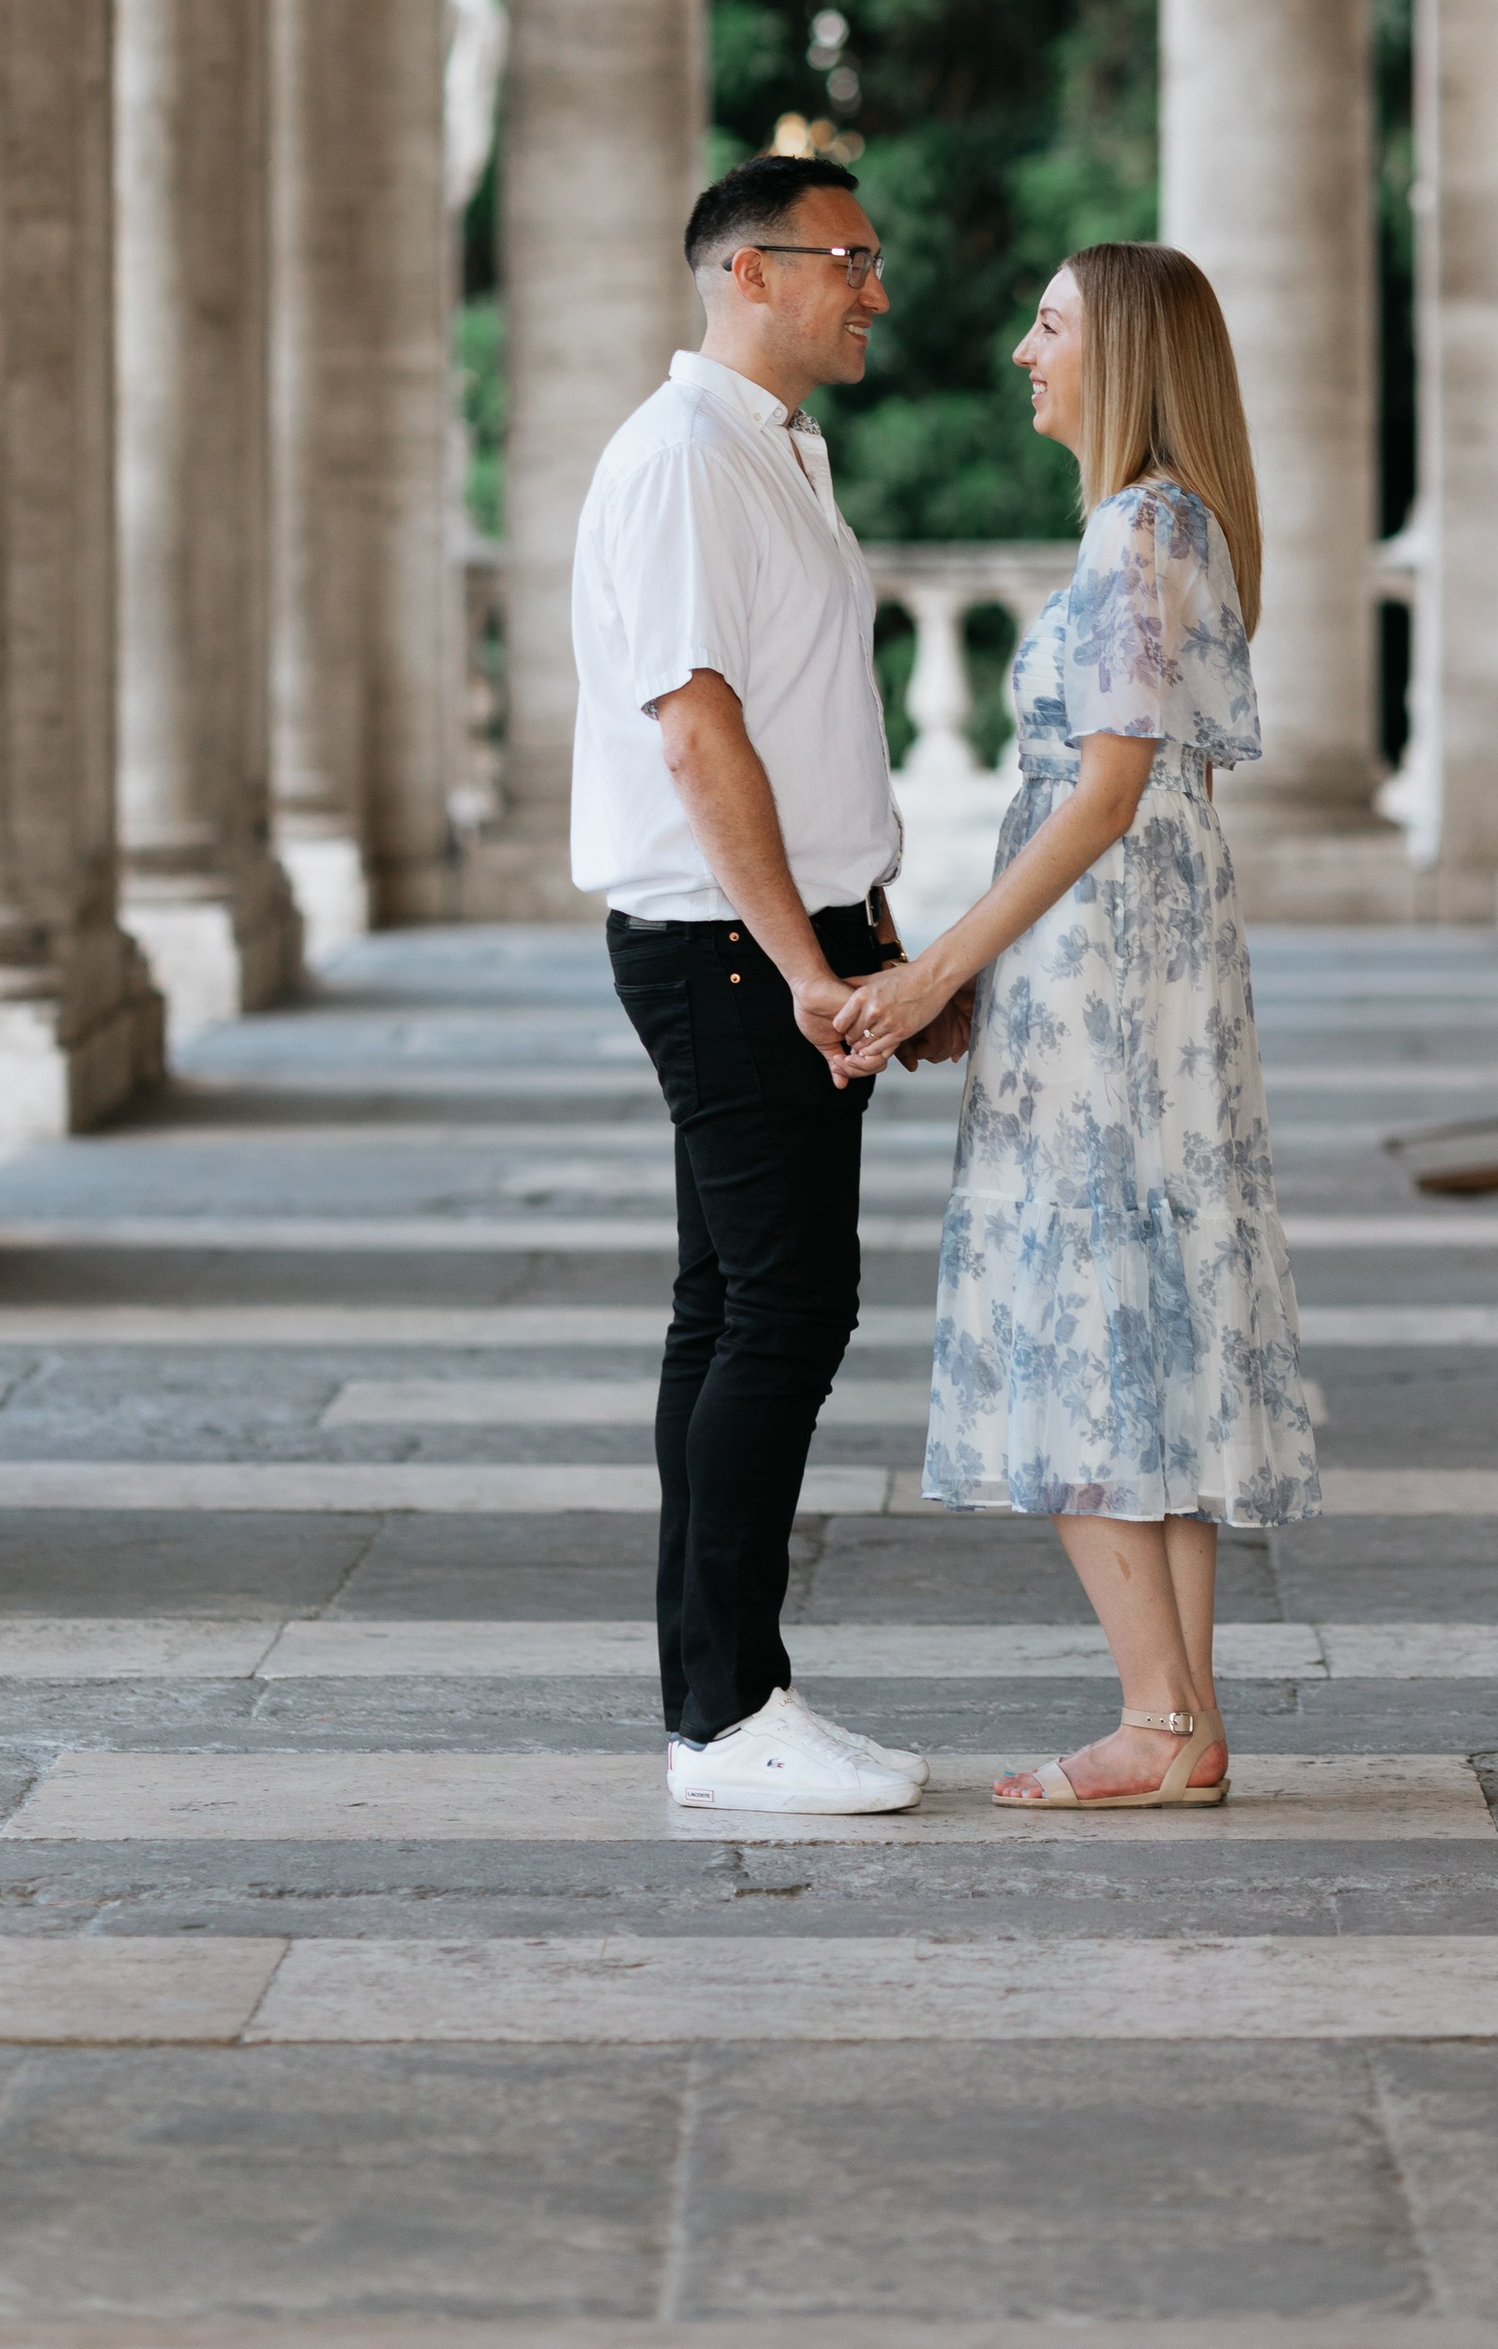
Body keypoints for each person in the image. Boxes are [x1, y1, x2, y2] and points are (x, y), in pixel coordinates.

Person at [835, 241, 1319, 1808]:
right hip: (1144, 967)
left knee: (1076, 1312)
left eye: (1048, 327)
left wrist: (933, 971)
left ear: (1120, 354)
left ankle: (1158, 1720)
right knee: (1144, 1311)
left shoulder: (1135, 530)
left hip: (1105, 980)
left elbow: (1101, 794)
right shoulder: (1170, 520)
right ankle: (1180, 1722)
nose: (1021, 352)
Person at [573, 153, 973, 1820]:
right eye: (849, 259)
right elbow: (696, 732)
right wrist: (812, 968)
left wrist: (874, 939)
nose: (875, 287)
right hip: (728, 949)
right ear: (751, 272)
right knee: (787, 1307)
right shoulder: (681, 460)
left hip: (788, 936)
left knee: (729, 1306)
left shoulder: (775, 451)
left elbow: (805, 734)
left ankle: (726, 1696)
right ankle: (724, 1714)